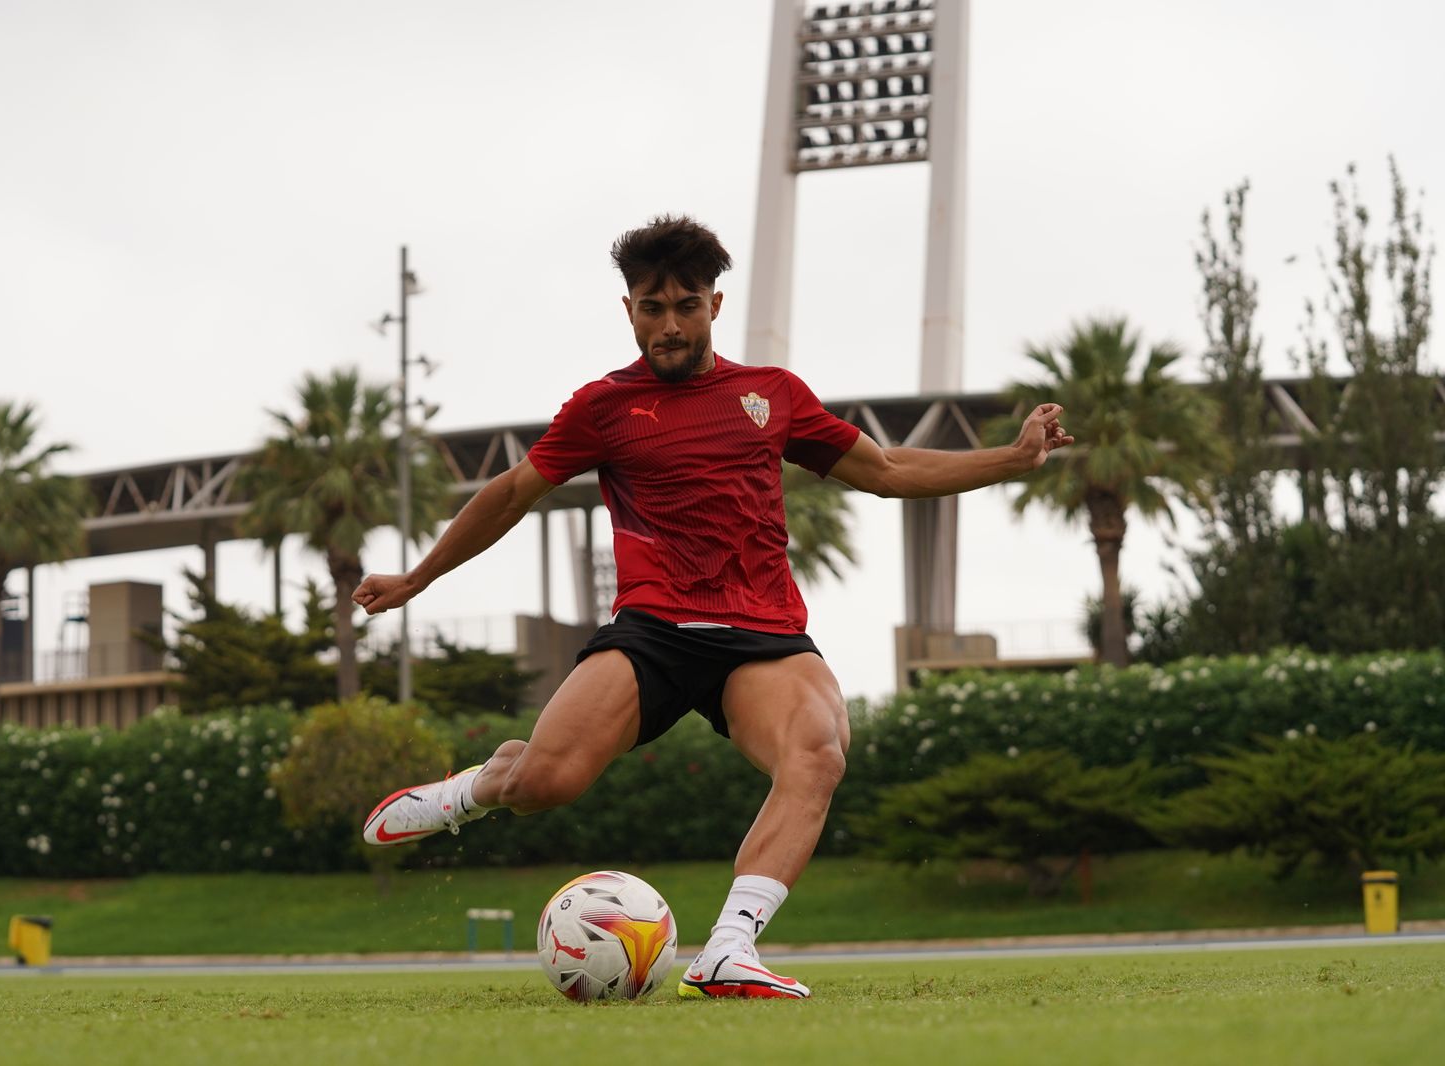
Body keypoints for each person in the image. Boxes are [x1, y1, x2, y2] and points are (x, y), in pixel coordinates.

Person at [353, 214, 1073, 999]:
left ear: (714, 306)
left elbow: (889, 466)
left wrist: (1011, 458)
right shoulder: (601, 408)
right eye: (652, 308)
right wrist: (417, 579)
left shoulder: (772, 395)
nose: (669, 325)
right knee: (544, 784)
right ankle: (471, 791)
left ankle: (729, 948)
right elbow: (512, 493)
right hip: (653, 631)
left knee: (819, 749)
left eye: (686, 306)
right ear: (627, 310)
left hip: (762, 636)